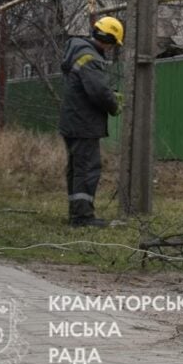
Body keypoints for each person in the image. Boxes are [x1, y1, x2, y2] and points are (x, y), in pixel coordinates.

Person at [58, 16, 124, 228]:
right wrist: (114, 104)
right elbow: (99, 92)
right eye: (113, 44)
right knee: (87, 169)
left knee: (77, 169)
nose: (113, 49)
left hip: (73, 122)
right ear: (109, 40)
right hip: (84, 124)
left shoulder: (78, 52)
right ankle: (83, 218)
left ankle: (76, 213)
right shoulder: (90, 58)